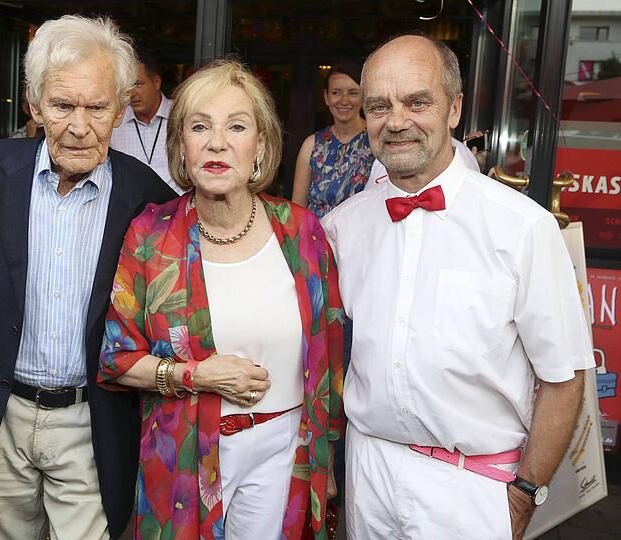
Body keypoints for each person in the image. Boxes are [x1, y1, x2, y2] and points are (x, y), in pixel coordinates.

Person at [321, 34, 594, 540]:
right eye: (379, 106)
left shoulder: (522, 227)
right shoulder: (340, 228)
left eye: (417, 101)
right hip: (368, 471)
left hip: (473, 487)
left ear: (454, 109)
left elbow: (565, 378)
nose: (396, 121)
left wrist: (524, 495)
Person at [0, 16, 176, 539]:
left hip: (93, 423)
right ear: (34, 104)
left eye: (97, 107)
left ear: (121, 108)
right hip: (0, 417)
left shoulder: (149, 198)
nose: (79, 127)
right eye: (62, 106)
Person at [99, 59, 344, 540]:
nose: (217, 142)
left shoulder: (302, 232)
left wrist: (329, 455)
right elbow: (116, 359)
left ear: (261, 145)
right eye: (199, 126)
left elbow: (330, 352)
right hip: (186, 455)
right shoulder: (151, 234)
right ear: (182, 147)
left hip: (285, 450)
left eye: (237, 126)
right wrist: (197, 375)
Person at [292, 62, 374, 218]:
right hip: (318, 238)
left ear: (363, 97)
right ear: (326, 97)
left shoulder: (376, 140)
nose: (344, 100)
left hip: (362, 238)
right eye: (336, 93)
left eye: (353, 93)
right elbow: (297, 210)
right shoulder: (312, 145)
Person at [110, 48, 183, 194]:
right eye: (127, 86)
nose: (132, 93)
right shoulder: (115, 121)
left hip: (178, 209)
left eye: (137, 84)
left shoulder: (181, 115)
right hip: (133, 209)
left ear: (156, 82)